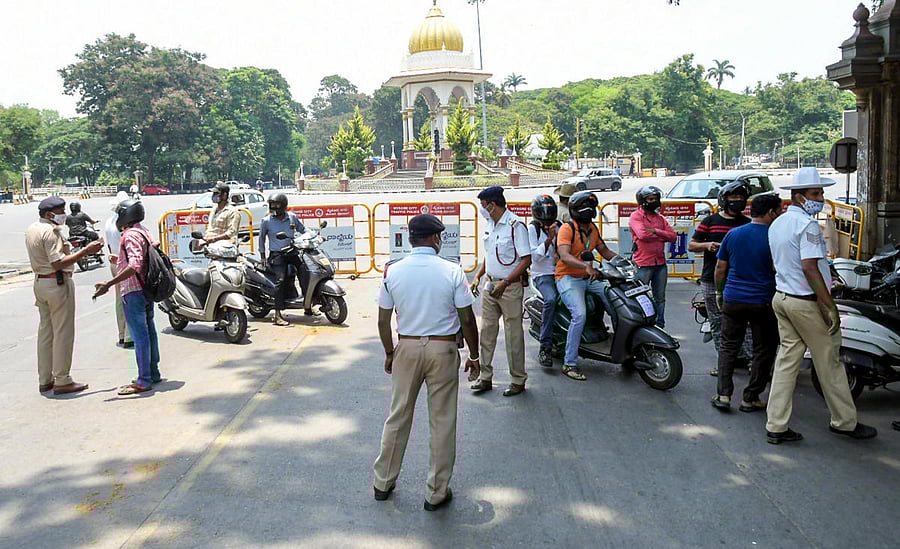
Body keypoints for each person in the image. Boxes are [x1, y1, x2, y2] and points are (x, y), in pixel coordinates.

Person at [373, 214, 480, 512]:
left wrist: (390, 352)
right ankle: (436, 492)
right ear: (434, 239)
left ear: (410, 238)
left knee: (398, 415)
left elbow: (383, 319)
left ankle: (383, 481)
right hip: (442, 349)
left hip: (406, 345)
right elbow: (467, 318)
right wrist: (475, 355)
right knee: (442, 421)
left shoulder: (392, 271)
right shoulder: (452, 271)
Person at [765, 167, 876, 444]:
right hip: (805, 303)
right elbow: (810, 268)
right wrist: (829, 306)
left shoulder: (778, 222)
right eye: (816, 193)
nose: (821, 197)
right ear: (800, 197)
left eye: (821, 192)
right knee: (830, 362)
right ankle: (845, 422)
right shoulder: (808, 225)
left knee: (787, 362)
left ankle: (776, 424)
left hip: (782, 298)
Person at [711, 194, 782, 412]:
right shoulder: (775, 236)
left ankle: (723, 395)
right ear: (771, 212)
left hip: (733, 299)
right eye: (779, 211)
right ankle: (750, 397)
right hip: (764, 301)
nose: (780, 215)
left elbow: (720, 269)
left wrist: (720, 294)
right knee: (764, 349)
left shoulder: (733, 234)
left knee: (728, 347)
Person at [25, 196, 103, 394]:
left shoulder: (33, 228)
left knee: (46, 333)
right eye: (61, 212)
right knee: (63, 333)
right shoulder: (51, 232)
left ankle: (45, 379)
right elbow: (57, 262)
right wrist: (86, 251)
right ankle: (62, 379)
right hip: (56, 283)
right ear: (50, 214)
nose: (63, 215)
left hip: (41, 283)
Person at [94, 199, 162, 395]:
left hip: (133, 291)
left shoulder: (130, 235)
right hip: (146, 289)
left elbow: (135, 265)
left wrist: (109, 283)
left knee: (140, 336)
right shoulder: (143, 231)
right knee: (149, 332)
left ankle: (143, 380)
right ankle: (153, 372)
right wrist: (120, 260)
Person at [470, 186, 532, 397]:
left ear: (492, 205)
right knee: (486, 332)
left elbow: (526, 259)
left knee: (513, 334)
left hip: (509, 288)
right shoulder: (490, 224)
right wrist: (478, 275)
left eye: (483, 206)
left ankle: (517, 380)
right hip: (490, 285)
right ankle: (485, 377)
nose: (482, 210)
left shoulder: (516, 226)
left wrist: (505, 282)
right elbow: (490, 254)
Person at [689, 181, 753, 376]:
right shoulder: (710, 222)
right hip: (712, 279)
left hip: (740, 279)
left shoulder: (747, 223)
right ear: (724, 200)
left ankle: (751, 360)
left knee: (746, 323)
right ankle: (726, 361)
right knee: (718, 322)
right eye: (733, 198)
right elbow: (692, 245)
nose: (737, 202)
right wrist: (708, 246)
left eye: (741, 199)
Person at [556, 191, 619, 381]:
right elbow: (564, 255)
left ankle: (622, 348)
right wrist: (585, 266)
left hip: (589, 277)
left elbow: (604, 250)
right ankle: (569, 363)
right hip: (567, 277)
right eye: (585, 208)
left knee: (616, 305)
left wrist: (624, 262)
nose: (589, 211)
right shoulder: (567, 229)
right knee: (579, 315)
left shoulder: (592, 228)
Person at [258, 192, 309, 325]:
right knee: (280, 280)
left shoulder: (292, 217)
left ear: (283, 205)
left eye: (277, 204)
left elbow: (303, 230)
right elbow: (261, 239)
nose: (274, 207)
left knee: (305, 271)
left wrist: (313, 236)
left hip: (292, 252)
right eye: (272, 204)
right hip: (277, 255)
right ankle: (277, 313)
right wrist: (263, 256)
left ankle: (308, 304)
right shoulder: (266, 221)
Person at [629, 186, 676, 328]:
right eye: (651, 199)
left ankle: (659, 325)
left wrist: (655, 231)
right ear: (643, 201)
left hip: (660, 264)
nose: (654, 201)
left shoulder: (660, 218)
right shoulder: (636, 216)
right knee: (640, 297)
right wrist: (662, 235)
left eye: (656, 199)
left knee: (660, 298)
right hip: (643, 264)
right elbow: (642, 235)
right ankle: (640, 325)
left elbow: (673, 236)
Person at [528, 194, 560, 368]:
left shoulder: (560, 226)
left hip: (561, 272)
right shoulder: (533, 229)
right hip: (543, 275)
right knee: (550, 300)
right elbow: (535, 257)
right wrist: (549, 239)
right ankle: (545, 347)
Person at [104, 191, 133, 348]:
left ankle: (121, 334)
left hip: (114, 262)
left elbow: (109, 245)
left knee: (118, 299)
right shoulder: (123, 224)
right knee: (129, 298)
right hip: (124, 264)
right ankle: (129, 336)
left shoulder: (109, 222)